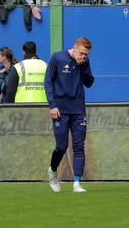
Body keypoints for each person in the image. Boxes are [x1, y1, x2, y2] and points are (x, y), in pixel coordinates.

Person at [45, 37, 94, 193]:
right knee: (61, 146)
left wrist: (83, 66)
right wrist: (52, 105)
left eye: (86, 55)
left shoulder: (84, 62)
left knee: (79, 146)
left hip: (78, 110)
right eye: (82, 53)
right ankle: (52, 171)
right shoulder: (57, 57)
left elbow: (89, 83)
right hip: (60, 110)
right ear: (74, 47)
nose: (83, 57)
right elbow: (48, 82)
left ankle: (77, 183)